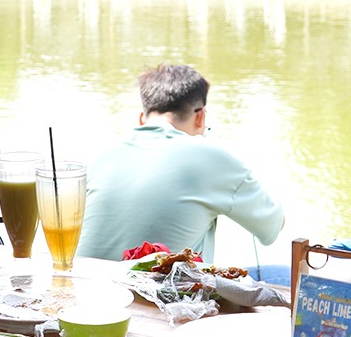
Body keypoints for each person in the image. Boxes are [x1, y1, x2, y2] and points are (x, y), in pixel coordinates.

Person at [76, 63, 284, 262]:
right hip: (154, 297)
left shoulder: (101, 155)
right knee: (279, 274)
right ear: (200, 117)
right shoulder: (212, 158)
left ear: (143, 119)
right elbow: (271, 228)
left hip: (87, 290)